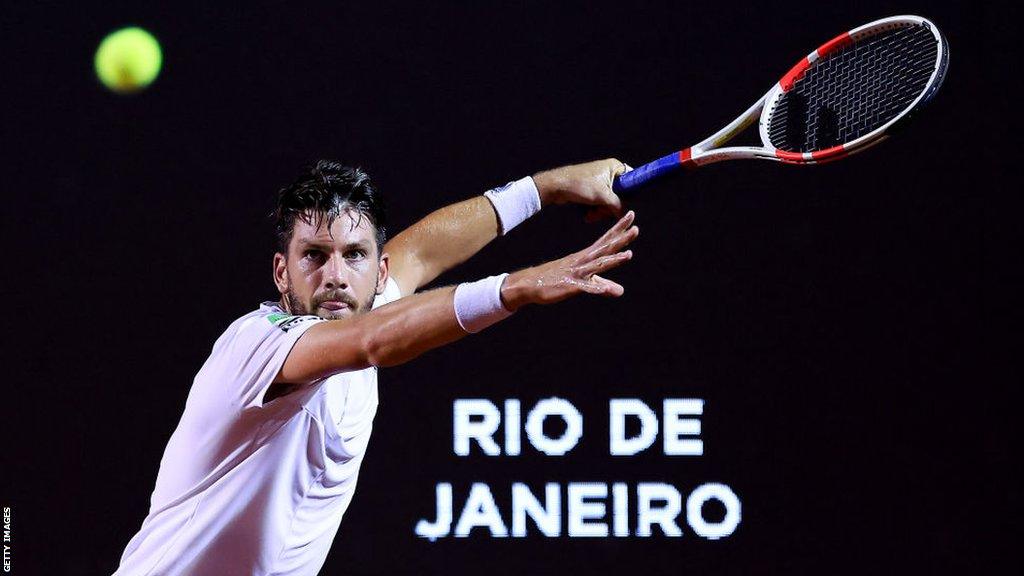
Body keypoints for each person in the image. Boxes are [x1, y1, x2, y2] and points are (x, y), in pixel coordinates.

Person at [113, 159, 639, 575]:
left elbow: (429, 250)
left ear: (379, 268)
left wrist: (549, 187)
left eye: (355, 255)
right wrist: (517, 287)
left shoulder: (371, 298)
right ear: (282, 272)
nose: (336, 276)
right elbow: (373, 341)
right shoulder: (257, 344)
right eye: (313, 256)